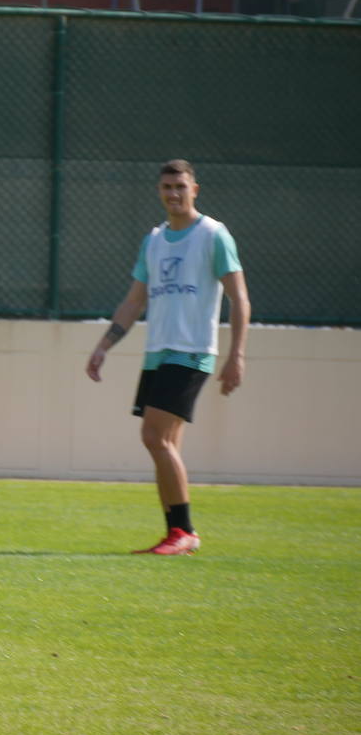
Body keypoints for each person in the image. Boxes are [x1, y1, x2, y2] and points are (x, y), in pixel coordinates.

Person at [85, 159, 250, 555]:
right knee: (166, 443)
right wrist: (104, 344)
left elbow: (238, 297)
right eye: (166, 187)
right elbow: (133, 300)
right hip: (157, 355)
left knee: (153, 436)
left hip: (192, 352)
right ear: (159, 192)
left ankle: (185, 532)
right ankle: (175, 534)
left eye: (180, 186)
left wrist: (236, 355)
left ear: (195, 189)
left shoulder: (213, 234)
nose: (173, 193)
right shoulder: (154, 241)